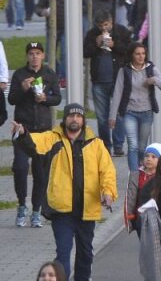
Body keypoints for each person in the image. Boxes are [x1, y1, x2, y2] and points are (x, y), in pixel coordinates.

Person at [12, 103, 117, 280]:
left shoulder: (96, 144)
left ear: (83, 120)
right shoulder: (54, 138)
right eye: (71, 116)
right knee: (63, 254)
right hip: (62, 210)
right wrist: (23, 133)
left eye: (78, 116)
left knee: (85, 254)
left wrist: (108, 192)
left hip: (87, 209)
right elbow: (34, 144)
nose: (74, 119)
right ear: (65, 119)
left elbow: (107, 171)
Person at [10, 40, 62, 228]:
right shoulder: (19, 74)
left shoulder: (49, 74)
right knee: (20, 167)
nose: (35, 57)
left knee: (41, 173)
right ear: (27, 56)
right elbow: (12, 99)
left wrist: (45, 98)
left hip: (43, 131)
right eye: (31, 53)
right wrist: (23, 89)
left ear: (43, 56)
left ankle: (36, 211)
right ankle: (22, 204)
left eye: (38, 53)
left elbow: (57, 98)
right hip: (23, 129)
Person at [110, 41, 161, 172]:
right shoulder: (124, 71)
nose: (141, 56)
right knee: (133, 145)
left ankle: (142, 170)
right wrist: (112, 116)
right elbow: (117, 93)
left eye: (143, 53)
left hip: (146, 112)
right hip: (129, 112)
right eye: (137, 54)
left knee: (142, 147)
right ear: (132, 55)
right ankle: (134, 175)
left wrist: (154, 80)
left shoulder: (151, 69)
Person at [83, 10, 133, 155]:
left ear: (111, 22)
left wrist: (114, 45)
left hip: (118, 79)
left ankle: (118, 145)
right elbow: (85, 52)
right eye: (100, 26)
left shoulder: (121, 31)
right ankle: (105, 146)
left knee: (118, 113)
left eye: (106, 25)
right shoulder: (92, 34)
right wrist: (96, 44)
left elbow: (130, 50)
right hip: (99, 80)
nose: (103, 29)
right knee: (102, 116)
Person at [124, 142, 161, 234]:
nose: (149, 159)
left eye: (153, 157)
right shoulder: (137, 175)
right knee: (144, 244)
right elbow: (130, 197)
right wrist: (130, 216)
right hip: (140, 218)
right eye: (147, 156)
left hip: (157, 218)